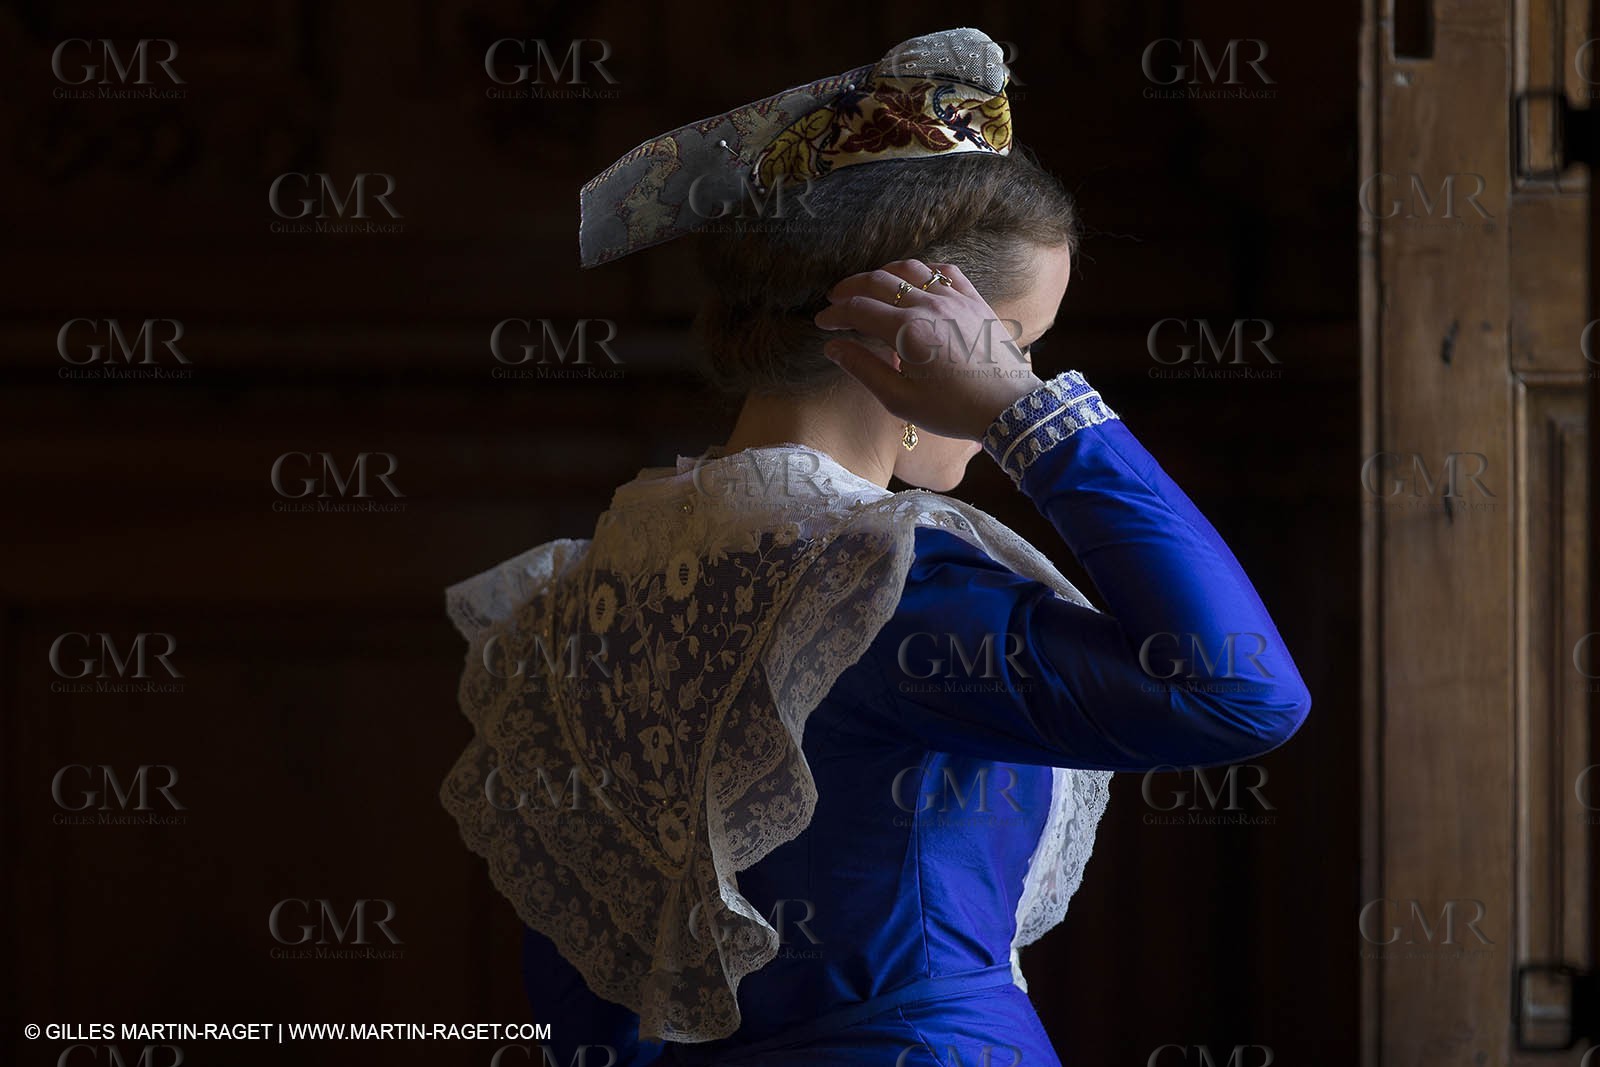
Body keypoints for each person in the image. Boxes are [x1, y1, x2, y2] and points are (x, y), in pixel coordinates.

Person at [440, 27, 1311, 1066]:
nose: (1023, 373)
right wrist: (1027, 416)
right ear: (922, 332)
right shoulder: (881, 585)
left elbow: (589, 988)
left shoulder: (581, 597)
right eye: (1018, 345)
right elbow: (1244, 692)